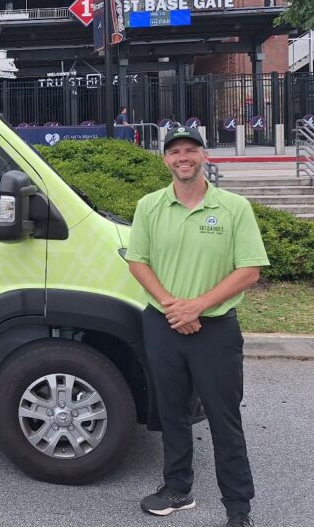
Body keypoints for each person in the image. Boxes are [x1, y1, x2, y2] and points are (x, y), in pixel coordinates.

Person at [125, 125, 268, 527]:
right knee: (171, 412)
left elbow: (250, 270)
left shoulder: (234, 208)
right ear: (165, 159)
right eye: (175, 151)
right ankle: (176, 489)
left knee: (224, 419)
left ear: (204, 156)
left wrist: (198, 307)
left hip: (216, 329)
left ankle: (238, 508)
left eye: (191, 150)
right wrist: (174, 308)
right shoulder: (149, 206)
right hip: (162, 323)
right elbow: (138, 260)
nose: (182, 157)